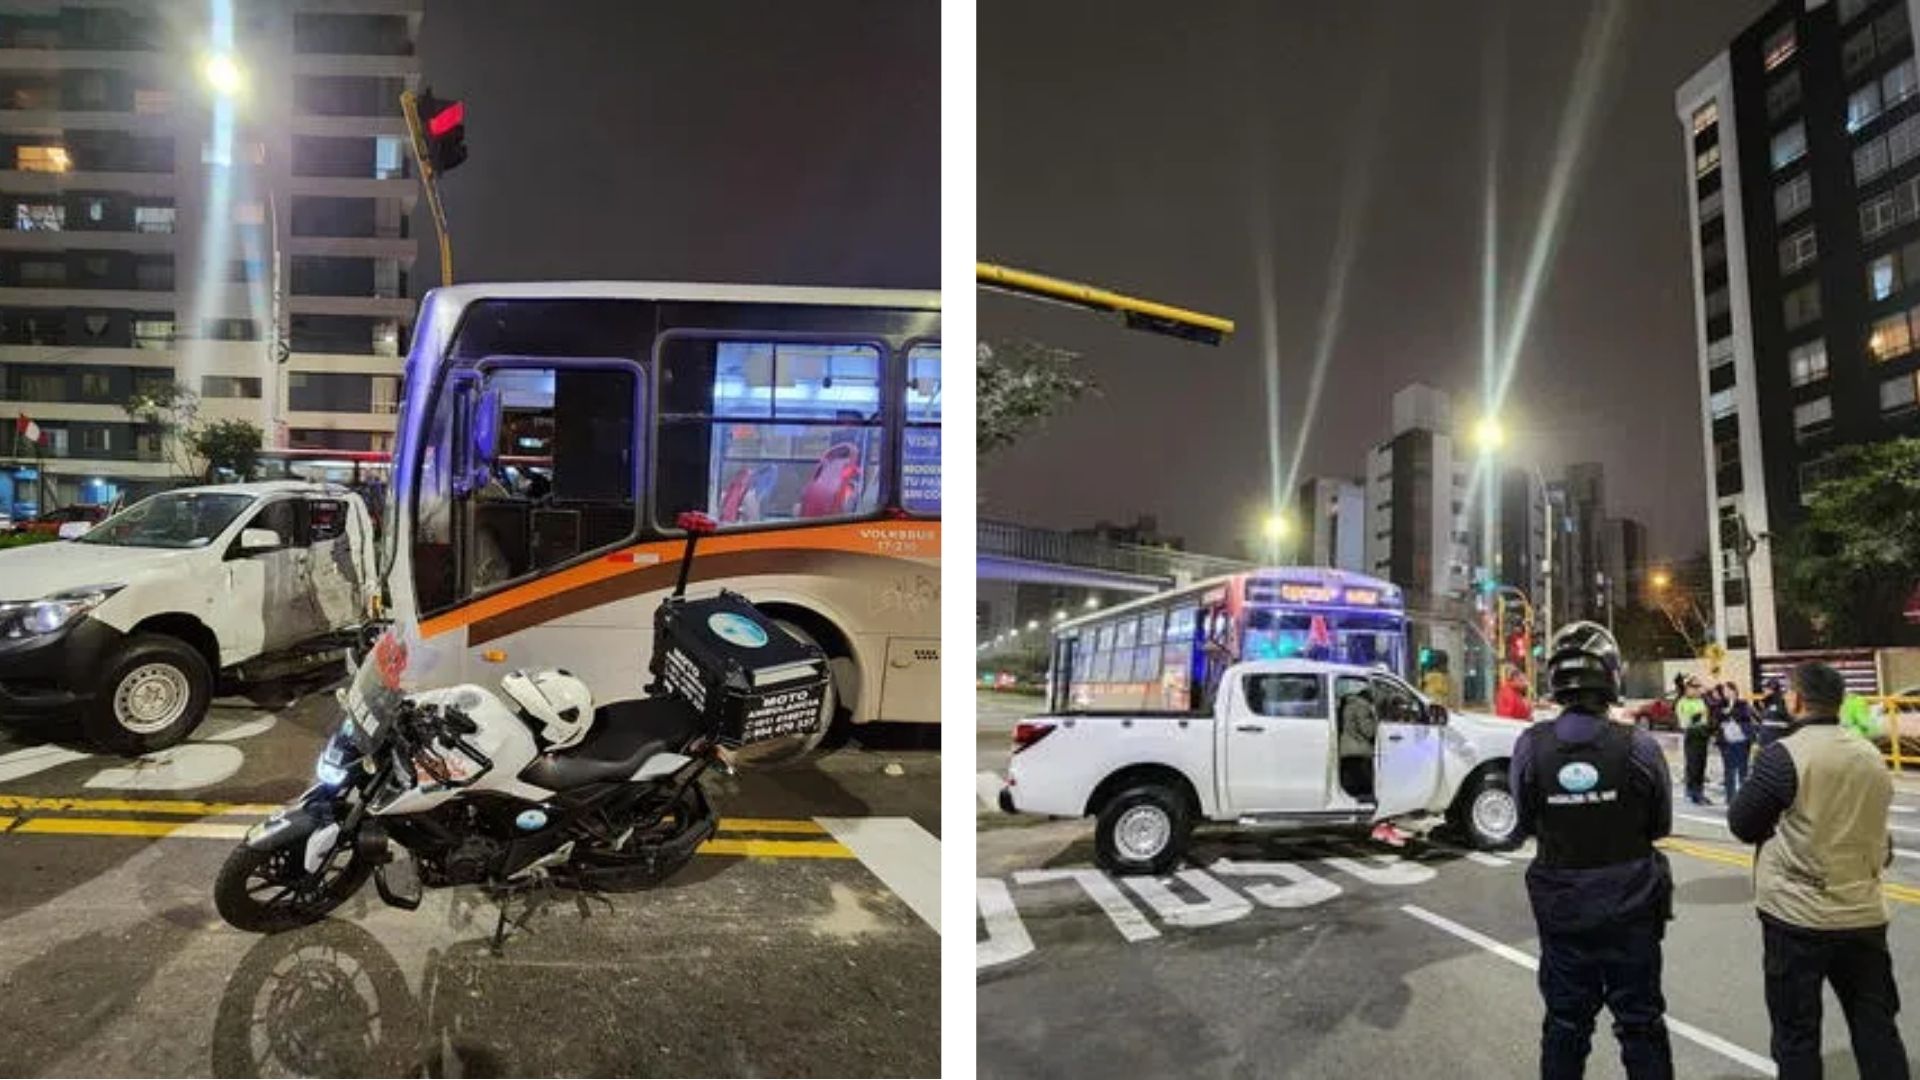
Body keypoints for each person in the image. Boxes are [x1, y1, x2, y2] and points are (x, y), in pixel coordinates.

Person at [1510, 621, 1675, 1080]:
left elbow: (1522, 822)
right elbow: (1660, 825)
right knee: (1641, 1026)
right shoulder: (1638, 745)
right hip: (1633, 909)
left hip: (1563, 911)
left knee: (1565, 1025)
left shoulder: (1530, 746)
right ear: (1612, 677)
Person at [1727, 661, 1907, 1080]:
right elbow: (1882, 838)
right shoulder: (1870, 755)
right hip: (1863, 914)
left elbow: (1742, 822)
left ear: (1797, 700)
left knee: (1796, 1037)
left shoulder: (1784, 756)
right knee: (1876, 1028)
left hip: (1797, 918)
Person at [1712, 682, 1755, 801]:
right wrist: (1724, 713)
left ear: (1734, 691)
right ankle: (1730, 797)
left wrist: (1729, 711)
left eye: (1728, 690)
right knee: (1729, 770)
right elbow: (1716, 717)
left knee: (1743, 769)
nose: (1726, 693)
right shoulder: (1720, 704)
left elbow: (1744, 715)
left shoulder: (1742, 703)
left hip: (1741, 740)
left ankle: (1743, 798)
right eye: (1724, 691)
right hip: (1726, 741)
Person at [1677, 678, 1711, 805]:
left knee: (1702, 765)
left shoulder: (1701, 700)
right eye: (1694, 688)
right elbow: (1683, 722)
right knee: (1693, 765)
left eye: (1698, 688)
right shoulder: (1682, 702)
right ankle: (1693, 793)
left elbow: (1707, 716)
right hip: (1692, 734)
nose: (1697, 690)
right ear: (1688, 689)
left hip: (1703, 733)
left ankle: (1699, 792)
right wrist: (1695, 718)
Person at [1757, 678, 1793, 748]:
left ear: (1772, 688)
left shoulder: (1781, 701)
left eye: (1766, 688)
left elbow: (1786, 719)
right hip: (1766, 738)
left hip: (1776, 738)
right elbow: (1763, 720)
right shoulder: (1765, 702)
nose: (1764, 690)